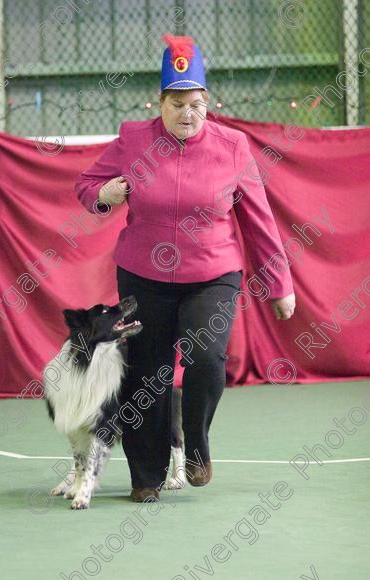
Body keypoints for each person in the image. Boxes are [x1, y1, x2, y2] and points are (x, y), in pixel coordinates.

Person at [75, 34, 296, 502]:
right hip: (142, 276)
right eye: (177, 103)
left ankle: (195, 445)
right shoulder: (133, 139)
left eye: (196, 103)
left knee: (206, 359)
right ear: (160, 102)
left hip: (212, 275)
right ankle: (147, 477)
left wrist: (279, 284)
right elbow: (87, 182)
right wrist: (103, 195)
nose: (187, 114)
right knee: (145, 373)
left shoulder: (233, 146)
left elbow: (258, 220)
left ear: (207, 102)